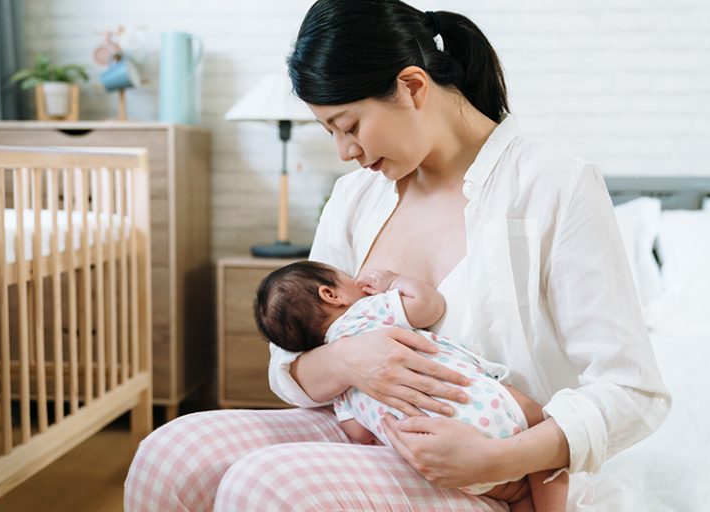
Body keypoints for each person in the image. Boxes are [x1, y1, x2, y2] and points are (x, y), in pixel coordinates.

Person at [124, 1, 671, 510]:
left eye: (349, 126)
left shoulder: (554, 187)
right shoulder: (355, 197)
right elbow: (288, 366)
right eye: (330, 132)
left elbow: (633, 391)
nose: (345, 151)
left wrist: (497, 459)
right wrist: (348, 360)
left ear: (412, 87)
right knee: (171, 454)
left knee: (264, 484)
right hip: (375, 430)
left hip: (507, 470)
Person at [253, 260, 569, 511]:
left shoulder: (340, 390)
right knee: (542, 430)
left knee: (516, 493)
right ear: (330, 294)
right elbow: (429, 305)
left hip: (443, 455)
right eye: (347, 277)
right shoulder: (366, 312)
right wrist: (392, 282)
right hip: (482, 403)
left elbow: (358, 433)